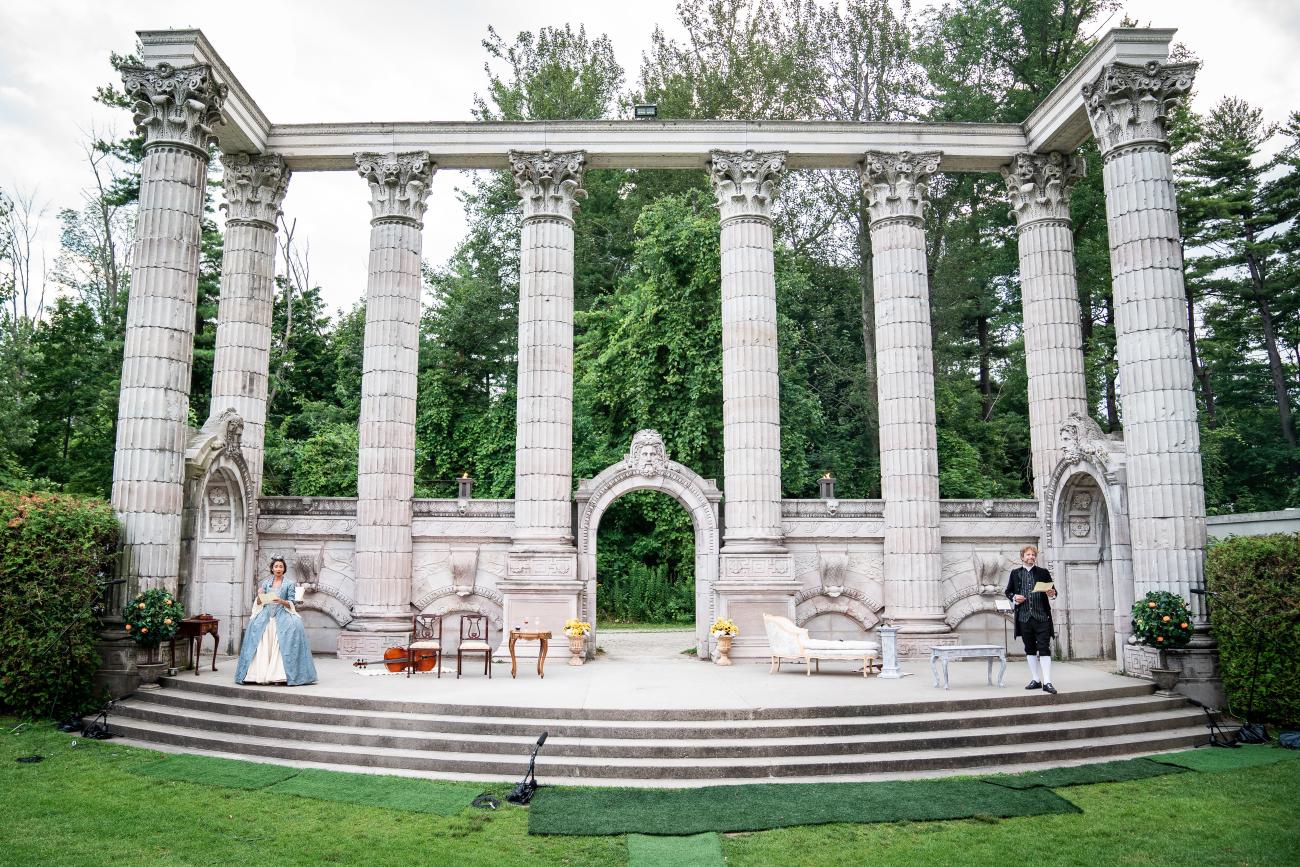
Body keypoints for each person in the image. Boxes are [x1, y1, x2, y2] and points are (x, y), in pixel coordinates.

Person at [235, 557, 318, 686]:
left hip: (283, 613)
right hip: (266, 614)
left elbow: (293, 603)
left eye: (281, 566)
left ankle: (280, 676)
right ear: (272, 569)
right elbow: (259, 602)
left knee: (293, 627)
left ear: (284, 569)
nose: (278, 569)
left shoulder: (289, 584)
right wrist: (260, 595)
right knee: (255, 626)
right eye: (276, 566)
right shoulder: (266, 583)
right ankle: (256, 674)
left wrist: (281, 601)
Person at [1005, 544, 1059, 694]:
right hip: (1024, 618)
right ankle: (1036, 679)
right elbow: (1008, 591)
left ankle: (1047, 682)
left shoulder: (1043, 572)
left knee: (1044, 648)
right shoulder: (1015, 573)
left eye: (1033, 555)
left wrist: (1052, 593)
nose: (1031, 557)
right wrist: (1015, 597)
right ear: (1022, 557)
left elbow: (1054, 592)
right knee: (1029, 649)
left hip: (1042, 617)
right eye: (1028, 554)